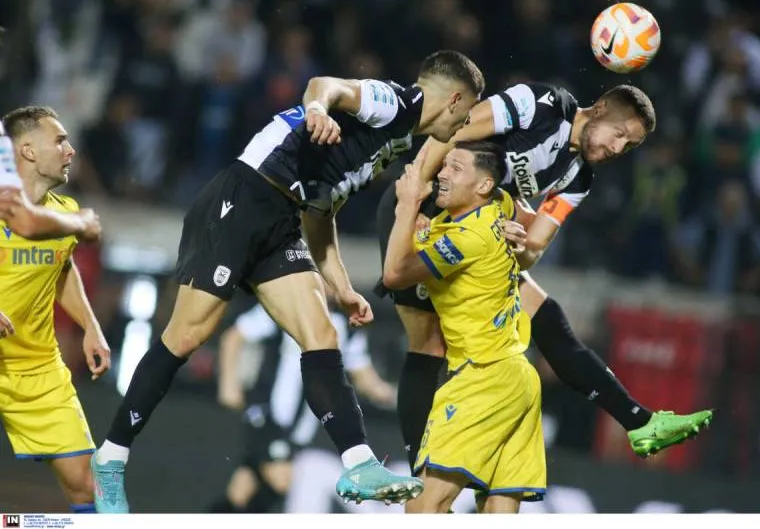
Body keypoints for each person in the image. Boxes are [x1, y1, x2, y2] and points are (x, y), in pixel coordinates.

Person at [91, 49, 485, 512]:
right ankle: (111, 458)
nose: (465, 125)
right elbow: (325, 85)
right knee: (186, 336)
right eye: (468, 113)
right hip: (245, 196)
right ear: (455, 99)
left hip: (283, 219)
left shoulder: (396, 142)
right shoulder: (397, 103)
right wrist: (317, 108)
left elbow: (321, 212)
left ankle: (359, 463)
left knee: (321, 334)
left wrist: (341, 286)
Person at [375, 81, 713, 470]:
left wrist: (517, 243)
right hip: (424, 213)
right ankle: (417, 468)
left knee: (547, 316)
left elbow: (533, 250)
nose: (618, 148)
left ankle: (640, 423)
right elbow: (457, 128)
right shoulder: (542, 104)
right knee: (429, 343)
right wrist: (415, 195)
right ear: (600, 109)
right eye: (619, 134)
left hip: (477, 234)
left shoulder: (579, 179)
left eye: (629, 145)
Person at [383, 141, 544, 513]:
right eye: (444, 165)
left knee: (422, 508)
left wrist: (407, 204)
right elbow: (528, 218)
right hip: (518, 378)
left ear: (483, 184)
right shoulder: (496, 206)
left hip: (481, 377)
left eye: (455, 168)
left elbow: (394, 274)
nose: (442, 174)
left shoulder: (466, 238)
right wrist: (518, 239)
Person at [0, 106, 112, 514]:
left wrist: (90, 326)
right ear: (28, 150)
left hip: (35, 367)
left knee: (89, 487)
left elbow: (61, 268)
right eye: (60, 140)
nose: (71, 150)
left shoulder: (62, 211)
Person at [210, 299, 396, 513]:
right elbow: (234, 336)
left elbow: (365, 378)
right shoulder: (285, 303)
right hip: (269, 415)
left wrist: (400, 397)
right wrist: (228, 384)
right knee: (283, 480)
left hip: (299, 432)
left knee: (241, 491)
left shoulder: (347, 327)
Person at [0, 119, 102, 241]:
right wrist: (82, 221)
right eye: (59, 141)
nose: (71, 151)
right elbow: (26, 223)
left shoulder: (66, 208)